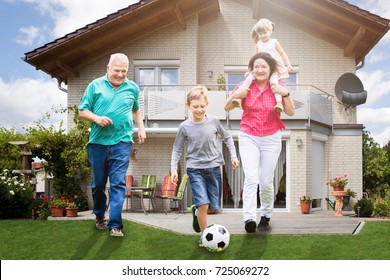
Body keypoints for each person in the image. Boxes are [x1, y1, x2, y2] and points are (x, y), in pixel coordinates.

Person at [224, 52, 294, 233]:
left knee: (265, 181)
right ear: (252, 69)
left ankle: (265, 216)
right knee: (251, 178)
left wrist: (285, 94)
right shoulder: (245, 85)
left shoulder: (278, 86)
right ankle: (249, 218)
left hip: (271, 137)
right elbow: (227, 107)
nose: (260, 70)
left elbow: (290, 112)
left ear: (270, 68)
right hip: (249, 135)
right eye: (256, 67)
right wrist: (235, 96)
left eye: (263, 66)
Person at [78, 53, 146, 237]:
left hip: (122, 141)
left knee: (118, 183)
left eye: (124, 71)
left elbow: (136, 110)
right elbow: (82, 111)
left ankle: (115, 225)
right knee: (99, 184)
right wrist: (96, 118)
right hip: (98, 143)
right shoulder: (95, 86)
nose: (120, 74)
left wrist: (141, 128)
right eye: (117, 70)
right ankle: (100, 215)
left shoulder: (132, 88)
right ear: (108, 68)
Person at [170, 85, 240, 247]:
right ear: (188, 106)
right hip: (195, 169)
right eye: (195, 107)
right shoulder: (184, 127)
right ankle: (203, 237)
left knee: (213, 207)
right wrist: (174, 169)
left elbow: (227, 137)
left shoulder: (214, 121)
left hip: (214, 168)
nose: (199, 110)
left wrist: (234, 157)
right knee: (204, 204)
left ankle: (196, 211)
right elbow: (177, 148)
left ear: (206, 105)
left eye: (202, 106)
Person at [232, 18, 292, 112]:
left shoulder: (274, 42)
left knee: (274, 83)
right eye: (260, 33)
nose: (263, 35)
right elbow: (254, 59)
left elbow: (282, 53)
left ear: (270, 31)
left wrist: (288, 64)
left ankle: (279, 103)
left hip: (273, 69)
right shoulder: (258, 44)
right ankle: (239, 98)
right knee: (248, 80)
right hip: (260, 68)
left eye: (265, 32)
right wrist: (249, 70)